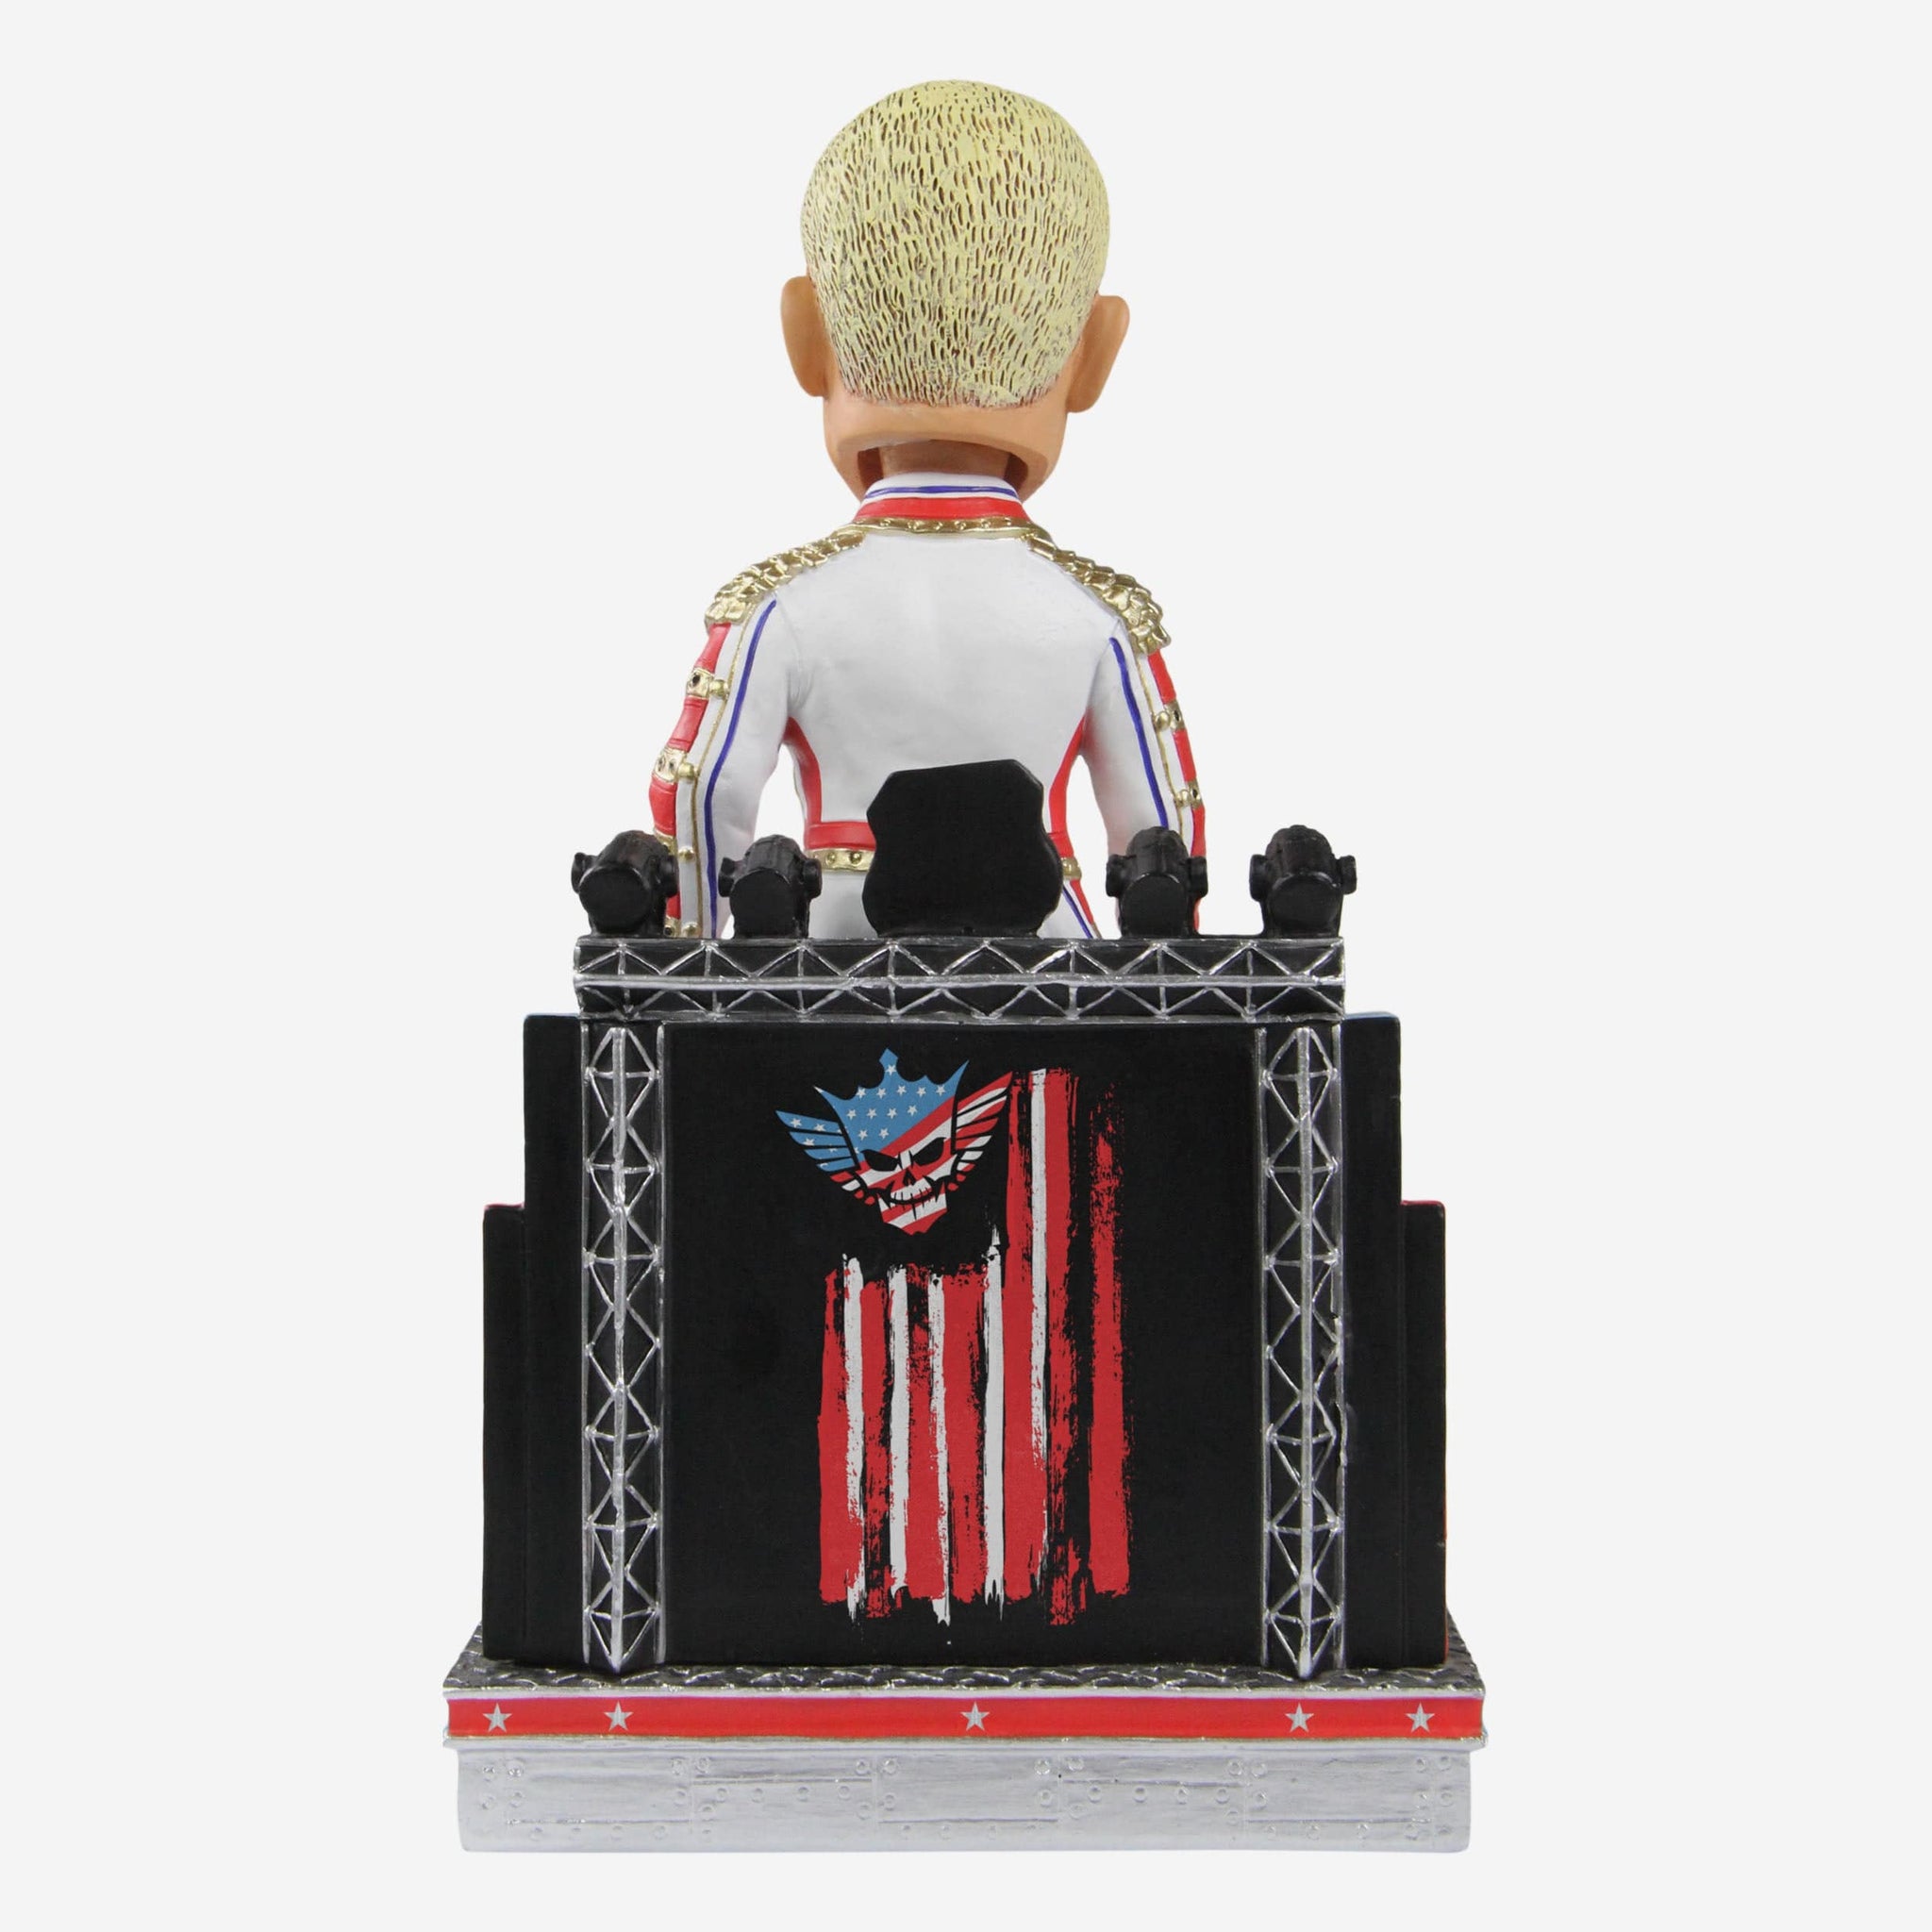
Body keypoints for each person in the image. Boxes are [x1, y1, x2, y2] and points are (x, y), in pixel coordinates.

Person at [650, 79, 1203, 939]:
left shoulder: (778, 610)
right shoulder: (1099, 616)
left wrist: (690, 961)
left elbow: (703, 793)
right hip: (1049, 959)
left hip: (831, 951)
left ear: (807, 338)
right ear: (1095, 354)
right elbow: (1159, 843)